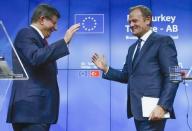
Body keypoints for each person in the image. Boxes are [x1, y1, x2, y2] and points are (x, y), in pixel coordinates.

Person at [92, 5, 179, 131]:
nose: (131, 25)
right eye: (129, 22)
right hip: (137, 111)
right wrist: (106, 69)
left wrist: (163, 106)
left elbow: (174, 75)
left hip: (154, 110)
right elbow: (126, 76)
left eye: (135, 21)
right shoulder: (132, 48)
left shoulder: (163, 41)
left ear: (148, 20)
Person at [7, 4, 80, 131]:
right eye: (54, 23)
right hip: (31, 112)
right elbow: (35, 57)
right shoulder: (26, 33)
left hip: (36, 113)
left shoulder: (38, 39)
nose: (56, 28)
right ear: (42, 19)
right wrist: (64, 41)